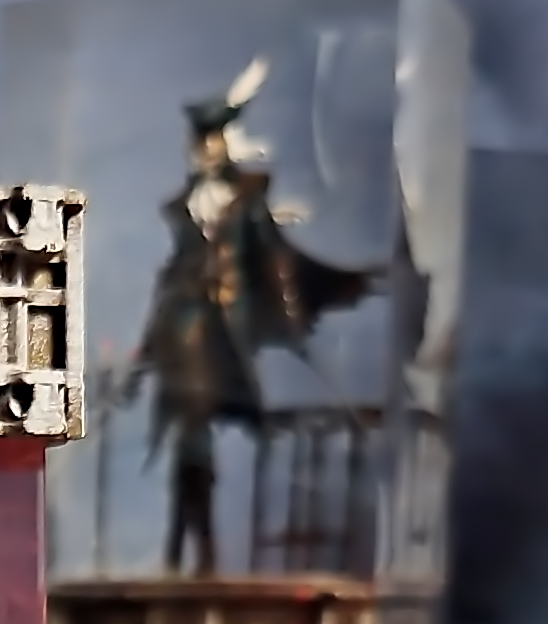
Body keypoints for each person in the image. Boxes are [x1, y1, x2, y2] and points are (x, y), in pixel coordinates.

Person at [127, 61, 372, 577]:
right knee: (188, 430)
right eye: (199, 141)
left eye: (212, 139)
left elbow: (274, 259)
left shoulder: (247, 199)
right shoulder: (184, 204)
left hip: (221, 322)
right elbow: (172, 271)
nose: (205, 149)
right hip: (181, 317)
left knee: (194, 425)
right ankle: (188, 550)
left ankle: (191, 549)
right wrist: (142, 348)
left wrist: (289, 315)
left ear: (224, 144)